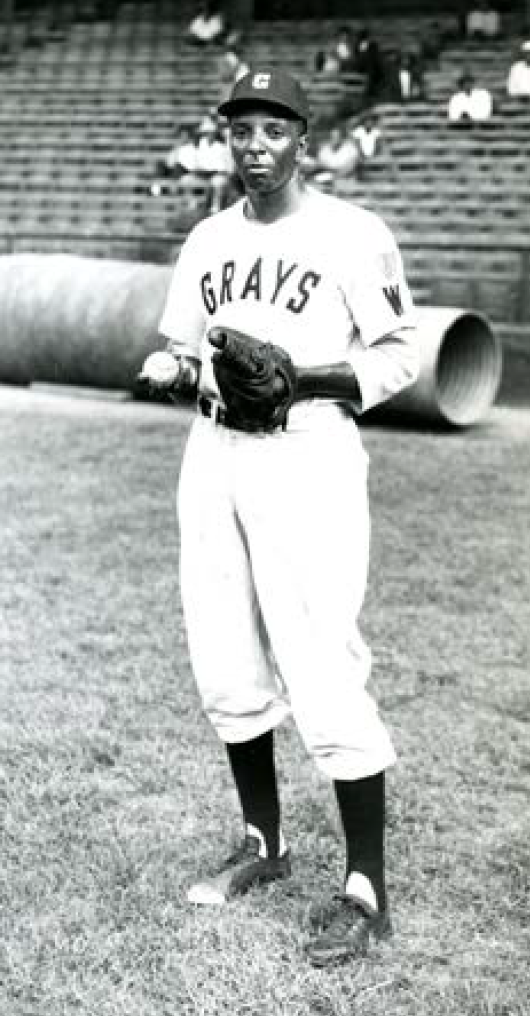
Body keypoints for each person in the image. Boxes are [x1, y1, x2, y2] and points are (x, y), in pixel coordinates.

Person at [139, 68, 419, 968]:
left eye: (272, 128)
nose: (254, 145)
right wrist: (172, 371)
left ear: (304, 136)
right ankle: (264, 843)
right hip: (214, 452)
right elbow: (183, 345)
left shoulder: (352, 232)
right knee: (223, 653)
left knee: (320, 657)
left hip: (308, 451)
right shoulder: (210, 237)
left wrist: (309, 377)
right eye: (241, 129)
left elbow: (403, 352)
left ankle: (365, 889)